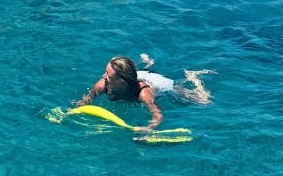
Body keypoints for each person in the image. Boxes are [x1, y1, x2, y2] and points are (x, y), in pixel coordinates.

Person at [76, 56, 213, 141]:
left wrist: (150, 127)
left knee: (204, 101)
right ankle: (148, 63)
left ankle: (194, 78)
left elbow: (158, 115)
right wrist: (75, 111)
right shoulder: (103, 84)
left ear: (121, 81)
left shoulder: (143, 93)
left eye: (108, 75)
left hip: (160, 84)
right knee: (145, 70)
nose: (104, 77)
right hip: (137, 75)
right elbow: (85, 100)